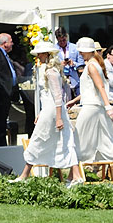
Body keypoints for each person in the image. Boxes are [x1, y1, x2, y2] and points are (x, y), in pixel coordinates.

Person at [13, 41, 83, 187]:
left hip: (53, 110)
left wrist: (58, 117)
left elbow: (58, 96)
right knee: (63, 139)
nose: (38, 55)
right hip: (50, 109)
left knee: (41, 138)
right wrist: (42, 113)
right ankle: (75, 175)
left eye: (41, 53)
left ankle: (25, 174)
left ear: (47, 54)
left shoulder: (51, 72)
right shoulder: (46, 69)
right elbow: (47, 96)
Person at [70, 37, 113, 167]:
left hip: (91, 107)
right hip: (95, 106)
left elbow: (100, 87)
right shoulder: (94, 65)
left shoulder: (92, 66)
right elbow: (92, 89)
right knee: (109, 141)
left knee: (78, 141)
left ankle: (74, 177)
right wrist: (74, 101)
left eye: (83, 51)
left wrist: (108, 107)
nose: (80, 53)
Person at [52, 27, 84, 99]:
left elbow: (82, 63)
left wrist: (74, 64)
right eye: (60, 41)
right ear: (57, 39)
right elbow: (51, 66)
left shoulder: (75, 47)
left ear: (66, 37)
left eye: (64, 40)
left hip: (75, 81)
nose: (62, 42)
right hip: (61, 82)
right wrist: (60, 65)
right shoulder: (53, 50)